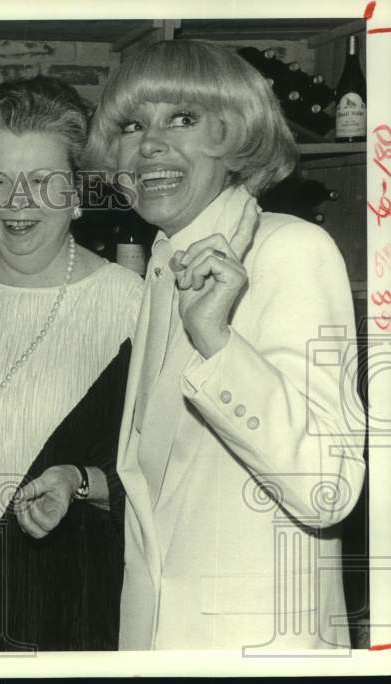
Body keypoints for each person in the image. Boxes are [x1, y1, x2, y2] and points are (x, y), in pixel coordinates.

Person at [78, 39, 365, 649]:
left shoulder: (290, 250)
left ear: (235, 138)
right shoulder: (163, 267)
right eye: (131, 125)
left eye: (183, 118)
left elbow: (329, 488)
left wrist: (217, 342)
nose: (150, 144)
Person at [0, 76, 143, 651]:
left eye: (42, 182)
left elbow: (164, 476)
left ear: (79, 192)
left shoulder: (131, 302)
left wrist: (80, 482)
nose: (17, 203)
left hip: (67, 607)